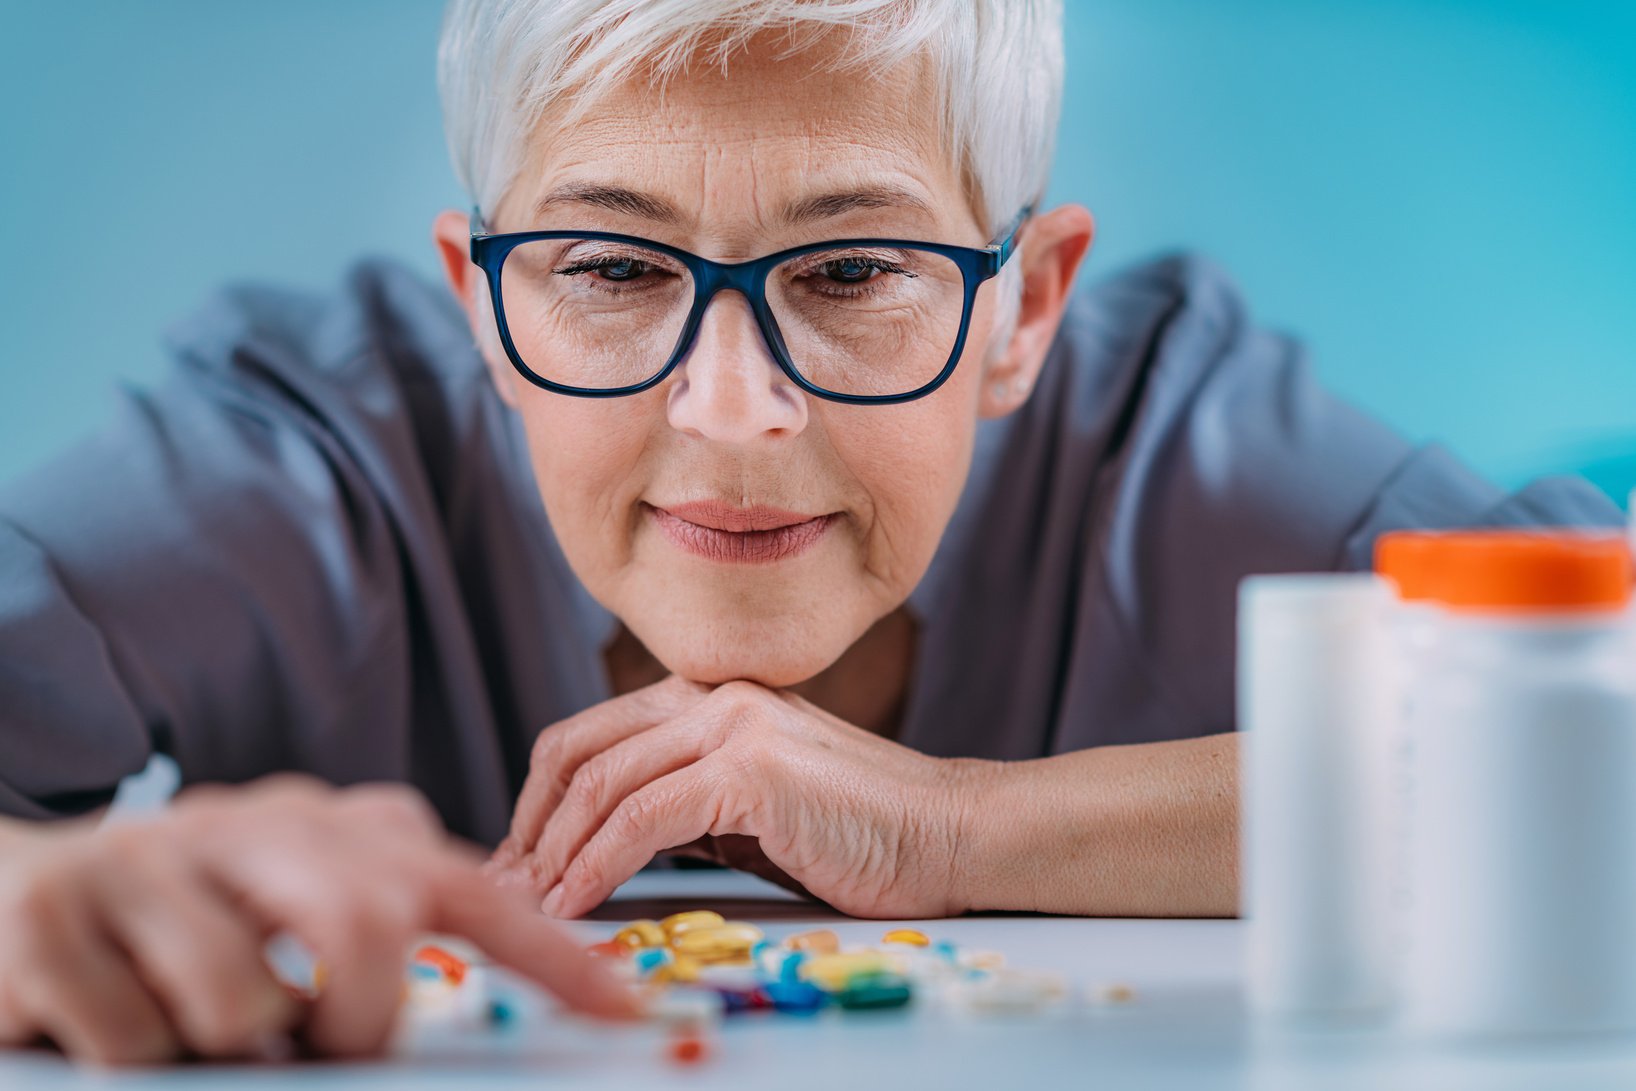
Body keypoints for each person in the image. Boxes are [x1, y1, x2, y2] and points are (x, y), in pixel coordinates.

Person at [0, 0, 1618, 1067]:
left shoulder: (1185, 453)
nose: (730, 409)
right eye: (612, 270)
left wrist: (961, 827)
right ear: (479, 309)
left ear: (1023, 312)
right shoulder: (295, 471)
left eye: (849, 274)